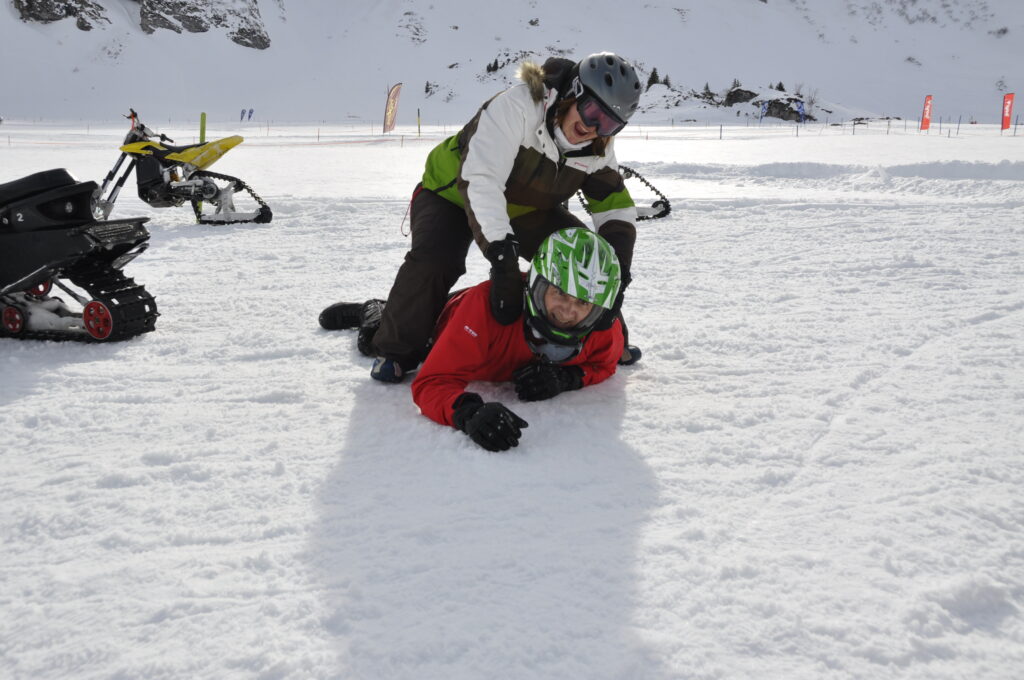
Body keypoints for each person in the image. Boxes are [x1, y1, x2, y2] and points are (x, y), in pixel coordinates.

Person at [320, 52, 643, 383]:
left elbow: (614, 206)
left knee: (584, 258)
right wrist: (503, 260)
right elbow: (481, 180)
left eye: (608, 123)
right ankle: (391, 345)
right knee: (435, 261)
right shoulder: (518, 107)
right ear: (573, 92)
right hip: (453, 194)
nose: (592, 128)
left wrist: (618, 276)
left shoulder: (598, 147)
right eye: (591, 113)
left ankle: (605, 342)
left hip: (525, 206)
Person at [328, 228, 625, 452]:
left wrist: (566, 378)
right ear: (538, 284)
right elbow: (431, 382)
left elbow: (604, 365)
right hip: (446, 318)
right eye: (560, 293)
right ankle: (375, 311)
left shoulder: (600, 328)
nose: (569, 312)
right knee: (383, 343)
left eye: (583, 304)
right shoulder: (482, 311)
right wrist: (468, 412)